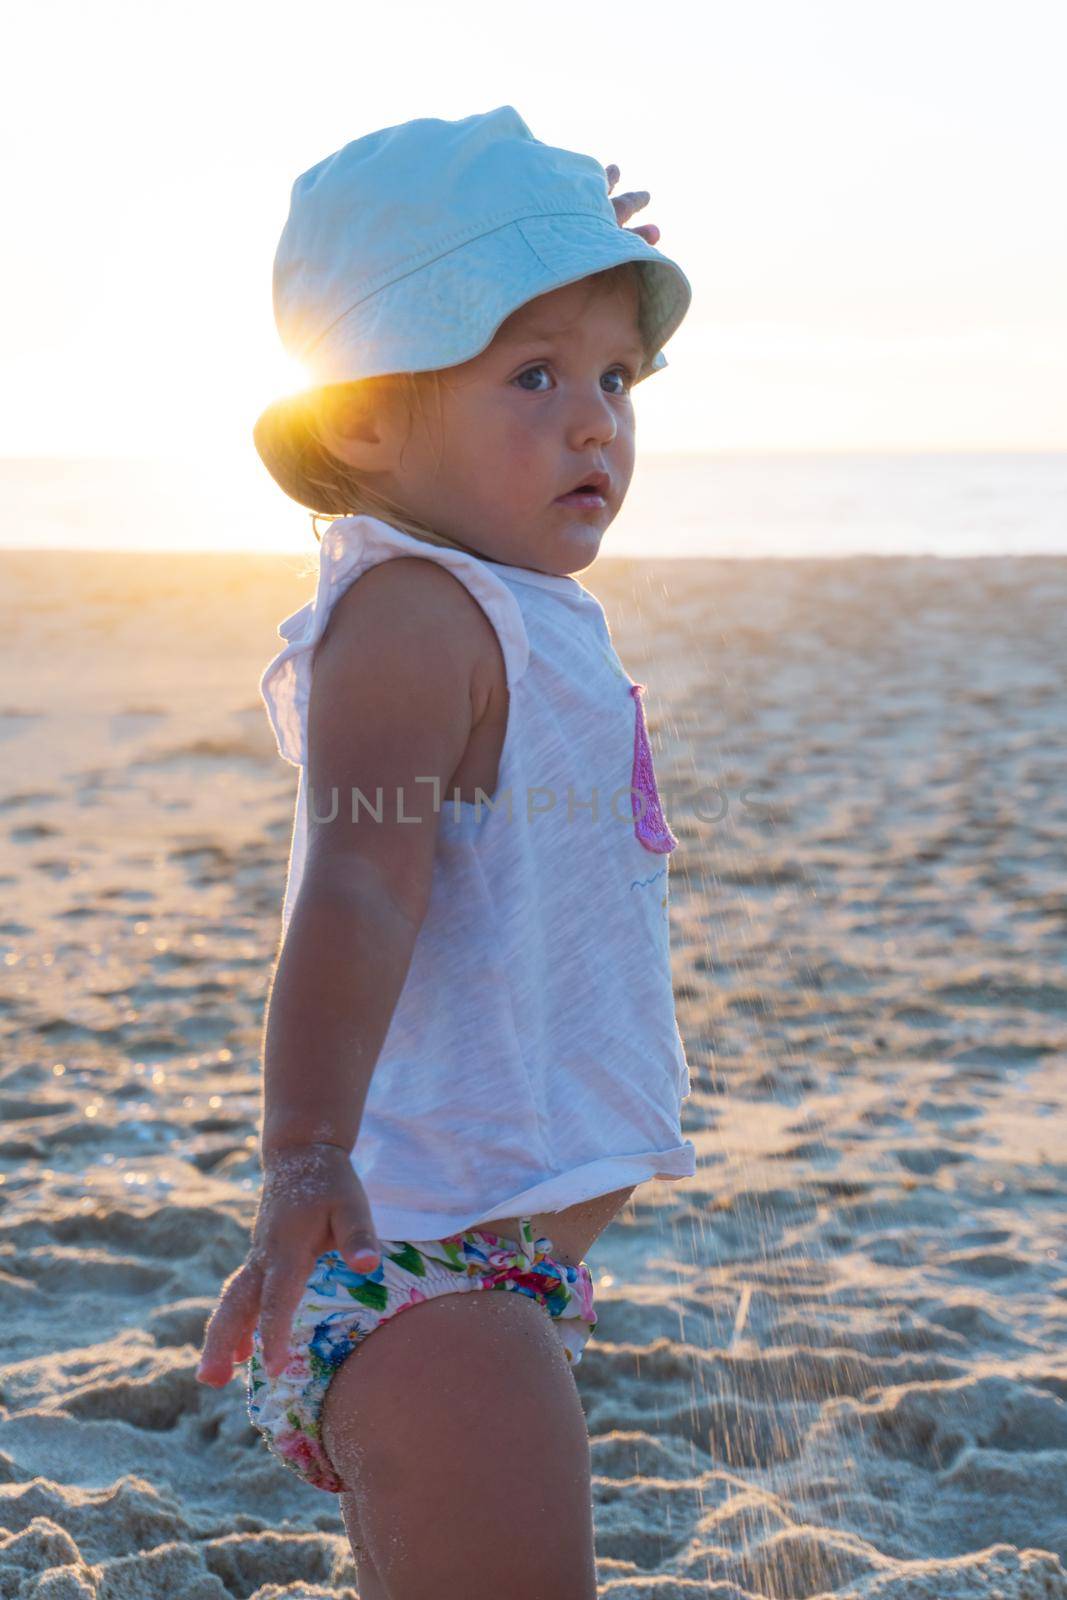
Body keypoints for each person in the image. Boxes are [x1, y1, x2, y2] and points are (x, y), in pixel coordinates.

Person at [195, 105, 695, 1600]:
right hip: (431, 1287)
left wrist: (556, 239)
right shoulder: (414, 618)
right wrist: (303, 1157)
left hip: (493, 1275)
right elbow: (354, 887)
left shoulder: (496, 593)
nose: (595, 418)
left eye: (615, 375)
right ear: (362, 418)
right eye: (530, 376)